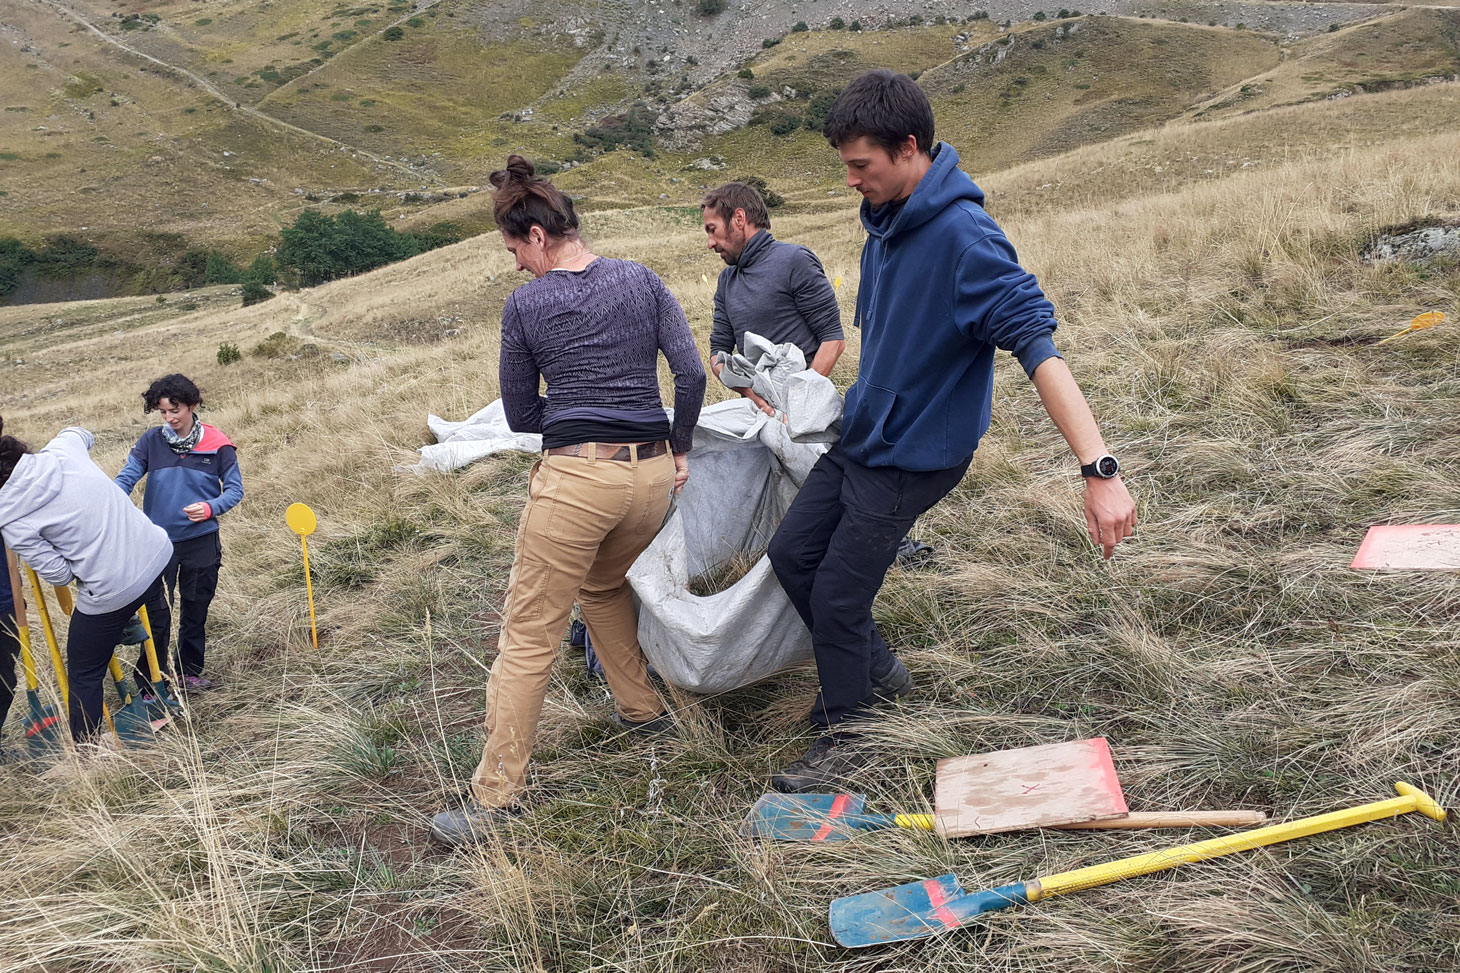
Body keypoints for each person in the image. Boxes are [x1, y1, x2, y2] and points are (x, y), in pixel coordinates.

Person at [766, 70, 1138, 792]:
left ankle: (851, 733)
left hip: (915, 454)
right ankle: (876, 670)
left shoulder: (968, 239)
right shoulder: (883, 223)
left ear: (909, 149)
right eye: (845, 165)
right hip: (866, 435)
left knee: (840, 596)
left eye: (860, 165)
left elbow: (1039, 348)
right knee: (791, 554)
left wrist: (1101, 470)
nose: (850, 181)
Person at [430, 156, 707, 846]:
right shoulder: (641, 279)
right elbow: (692, 372)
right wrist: (677, 448)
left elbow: (523, 415)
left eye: (514, 251)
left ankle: (496, 798)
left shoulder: (527, 304)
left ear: (535, 235)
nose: (516, 267)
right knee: (605, 586)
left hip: (579, 479)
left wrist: (580, 410)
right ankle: (643, 710)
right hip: (649, 480)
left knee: (527, 636)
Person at [0, 420, 173, 743]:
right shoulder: (63, 450)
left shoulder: (9, 517)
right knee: (115, 611)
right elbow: (81, 431)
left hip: (115, 589)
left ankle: (88, 753)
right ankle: (125, 624)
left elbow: (59, 575)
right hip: (158, 553)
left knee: (83, 673)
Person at [116, 374, 243, 691]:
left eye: (176, 411)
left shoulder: (218, 445)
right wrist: (112, 502)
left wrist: (211, 508)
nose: (170, 419)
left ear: (193, 405)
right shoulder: (150, 442)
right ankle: (150, 683)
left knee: (194, 611)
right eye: (163, 412)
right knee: (157, 617)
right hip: (157, 545)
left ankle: (188, 674)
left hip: (201, 543)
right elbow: (126, 479)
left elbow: (235, 491)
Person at [702, 181, 846, 416]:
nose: (710, 244)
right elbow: (719, 353)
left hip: (807, 413)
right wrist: (756, 399)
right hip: (760, 413)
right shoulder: (726, 281)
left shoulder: (795, 261)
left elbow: (833, 340)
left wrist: (797, 405)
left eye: (712, 229)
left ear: (739, 218)